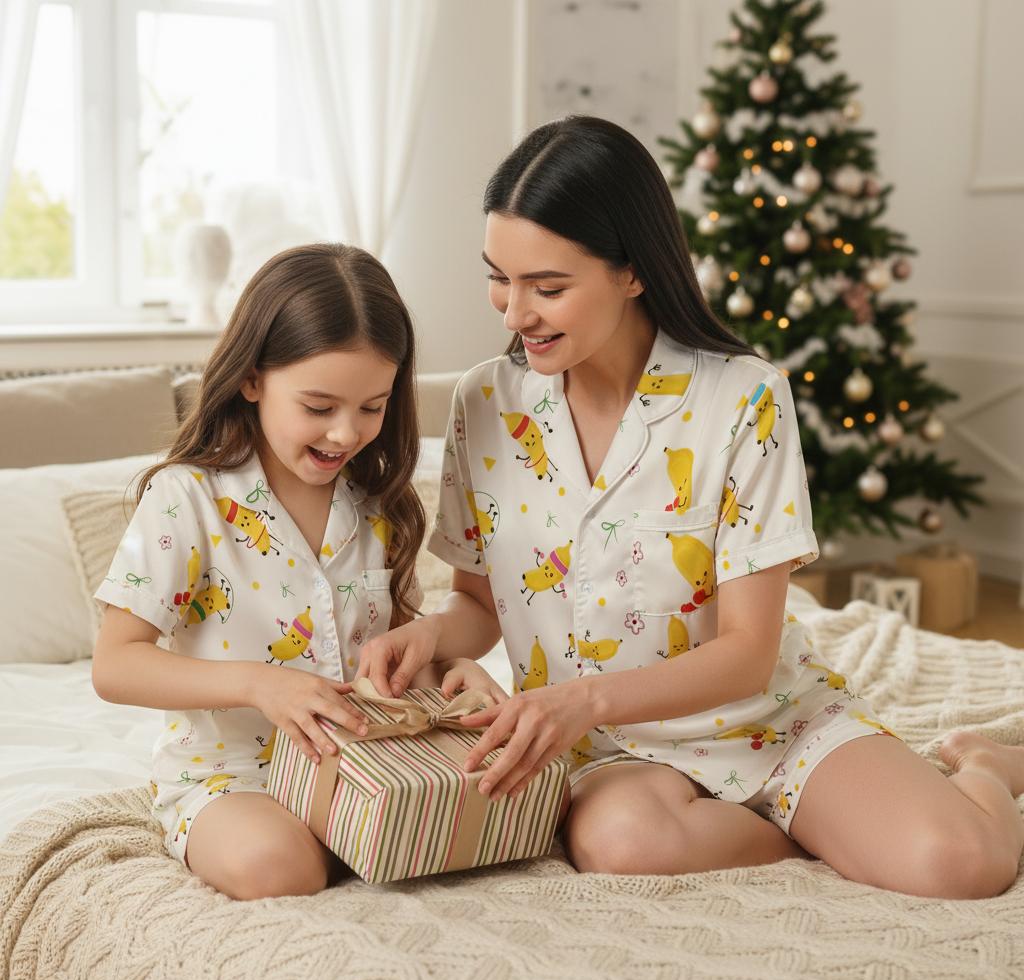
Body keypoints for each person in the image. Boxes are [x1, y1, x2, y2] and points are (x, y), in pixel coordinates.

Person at [359, 116, 1024, 899]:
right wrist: (428, 634)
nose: (512, 314)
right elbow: (481, 602)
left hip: (767, 722)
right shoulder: (484, 402)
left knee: (962, 867)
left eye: (548, 287)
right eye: (498, 277)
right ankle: (809, 830)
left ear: (633, 271)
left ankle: (979, 761)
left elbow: (747, 648)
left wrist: (580, 697)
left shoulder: (743, 397)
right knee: (619, 845)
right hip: (611, 752)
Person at [92, 243, 507, 900]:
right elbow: (115, 666)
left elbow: (395, 655)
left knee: (504, 822)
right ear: (252, 379)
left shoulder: (378, 506)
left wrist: (449, 678)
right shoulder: (186, 500)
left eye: (372, 407)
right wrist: (262, 685)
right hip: (231, 778)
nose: (345, 433)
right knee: (280, 868)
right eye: (319, 407)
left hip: (364, 768)